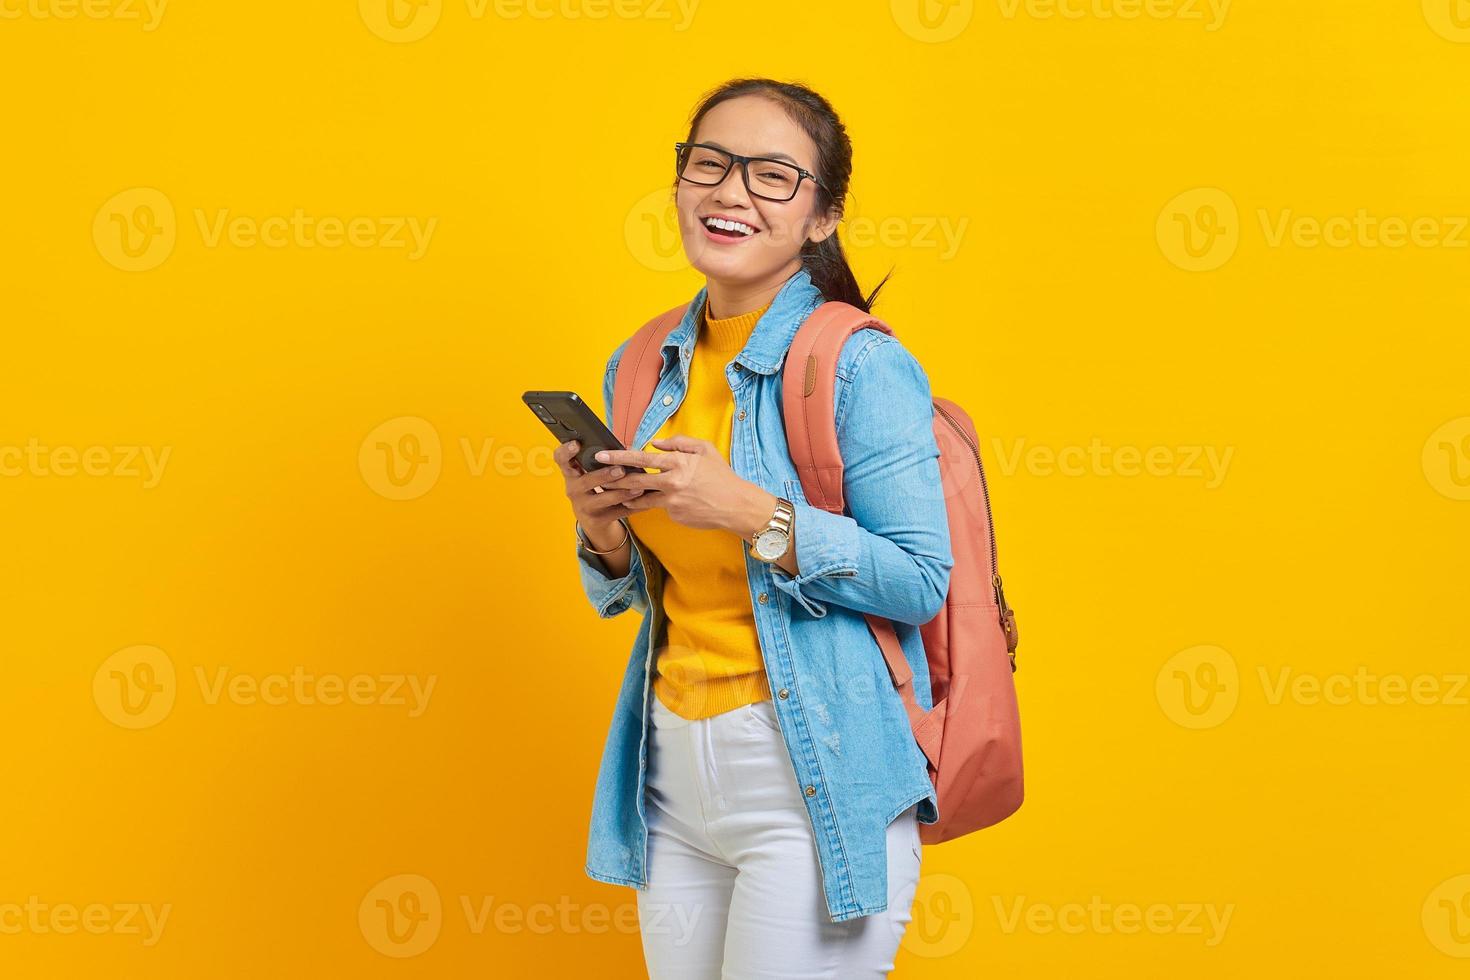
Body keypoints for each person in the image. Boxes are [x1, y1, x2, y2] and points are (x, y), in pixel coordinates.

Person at [553, 77, 954, 978]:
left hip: (812, 773)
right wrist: (603, 532)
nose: (730, 192)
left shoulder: (859, 363)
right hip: (670, 779)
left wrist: (753, 514)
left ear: (822, 216)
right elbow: (627, 594)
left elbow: (921, 580)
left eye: (773, 175)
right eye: (710, 164)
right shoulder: (642, 360)